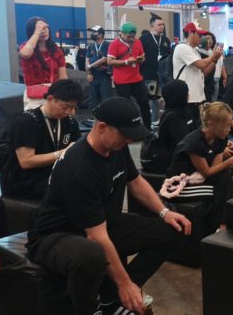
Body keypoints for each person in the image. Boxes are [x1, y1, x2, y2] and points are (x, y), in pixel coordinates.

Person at [27, 97, 191, 315]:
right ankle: (90, 309)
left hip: (102, 223)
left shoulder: (116, 147)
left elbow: (135, 181)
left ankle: (112, 297)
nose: (129, 141)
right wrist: (124, 282)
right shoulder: (79, 166)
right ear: (102, 127)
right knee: (92, 253)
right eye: (124, 135)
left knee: (174, 229)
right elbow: (96, 236)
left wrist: (164, 212)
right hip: (58, 236)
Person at [166, 102, 233, 232]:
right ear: (212, 124)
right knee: (225, 181)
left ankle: (223, 223)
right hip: (179, 185)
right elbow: (207, 172)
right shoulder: (194, 142)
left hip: (198, 178)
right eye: (227, 125)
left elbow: (215, 168)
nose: (229, 129)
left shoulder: (220, 138)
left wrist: (232, 160)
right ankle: (221, 224)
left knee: (226, 176)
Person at [1, 79, 82, 201]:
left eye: (73, 108)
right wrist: (62, 153)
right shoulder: (27, 122)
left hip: (54, 175)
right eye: (65, 107)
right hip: (26, 182)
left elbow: (77, 148)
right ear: (50, 99)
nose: (69, 112)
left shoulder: (70, 122)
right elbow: (26, 161)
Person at [173, 22, 223, 125]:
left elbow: (203, 72)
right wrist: (213, 55)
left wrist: (215, 60)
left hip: (197, 98)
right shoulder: (182, 47)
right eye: (199, 35)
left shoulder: (194, 50)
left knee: (196, 127)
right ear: (190, 33)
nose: (202, 38)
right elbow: (201, 64)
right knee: (188, 128)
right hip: (186, 97)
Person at [107, 22, 152, 128]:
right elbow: (109, 61)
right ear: (122, 33)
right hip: (122, 80)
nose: (131, 39)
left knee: (144, 102)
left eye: (133, 36)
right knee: (125, 105)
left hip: (137, 78)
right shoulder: (114, 44)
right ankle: (126, 128)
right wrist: (126, 62)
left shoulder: (138, 42)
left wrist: (140, 60)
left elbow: (143, 57)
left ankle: (148, 127)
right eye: (129, 36)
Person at [19, 17, 68, 110]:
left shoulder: (56, 50)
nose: (43, 31)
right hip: (34, 97)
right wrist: (37, 33)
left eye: (45, 28)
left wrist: (65, 96)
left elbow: (63, 77)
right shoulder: (26, 48)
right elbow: (25, 54)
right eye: (39, 29)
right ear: (32, 32)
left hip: (54, 95)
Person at [149, 80, 198, 173]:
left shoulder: (186, 112)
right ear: (181, 96)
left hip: (189, 156)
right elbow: (185, 144)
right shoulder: (173, 117)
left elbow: (198, 134)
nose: (189, 95)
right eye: (187, 93)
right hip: (177, 162)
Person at [139, 14, 171, 125]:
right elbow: (140, 55)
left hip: (164, 74)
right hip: (149, 73)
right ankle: (154, 120)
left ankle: (168, 117)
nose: (162, 26)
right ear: (152, 25)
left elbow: (169, 55)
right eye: (159, 24)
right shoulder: (144, 38)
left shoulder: (165, 40)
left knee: (167, 95)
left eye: (163, 24)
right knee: (153, 97)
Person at [85, 25, 112, 108]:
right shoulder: (91, 46)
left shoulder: (107, 45)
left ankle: (106, 115)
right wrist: (89, 72)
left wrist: (90, 66)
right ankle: (96, 115)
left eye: (94, 32)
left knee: (106, 98)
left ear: (100, 34)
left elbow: (104, 59)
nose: (92, 34)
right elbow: (87, 59)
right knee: (94, 98)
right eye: (92, 32)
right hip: (93, 75)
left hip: (104, 75)